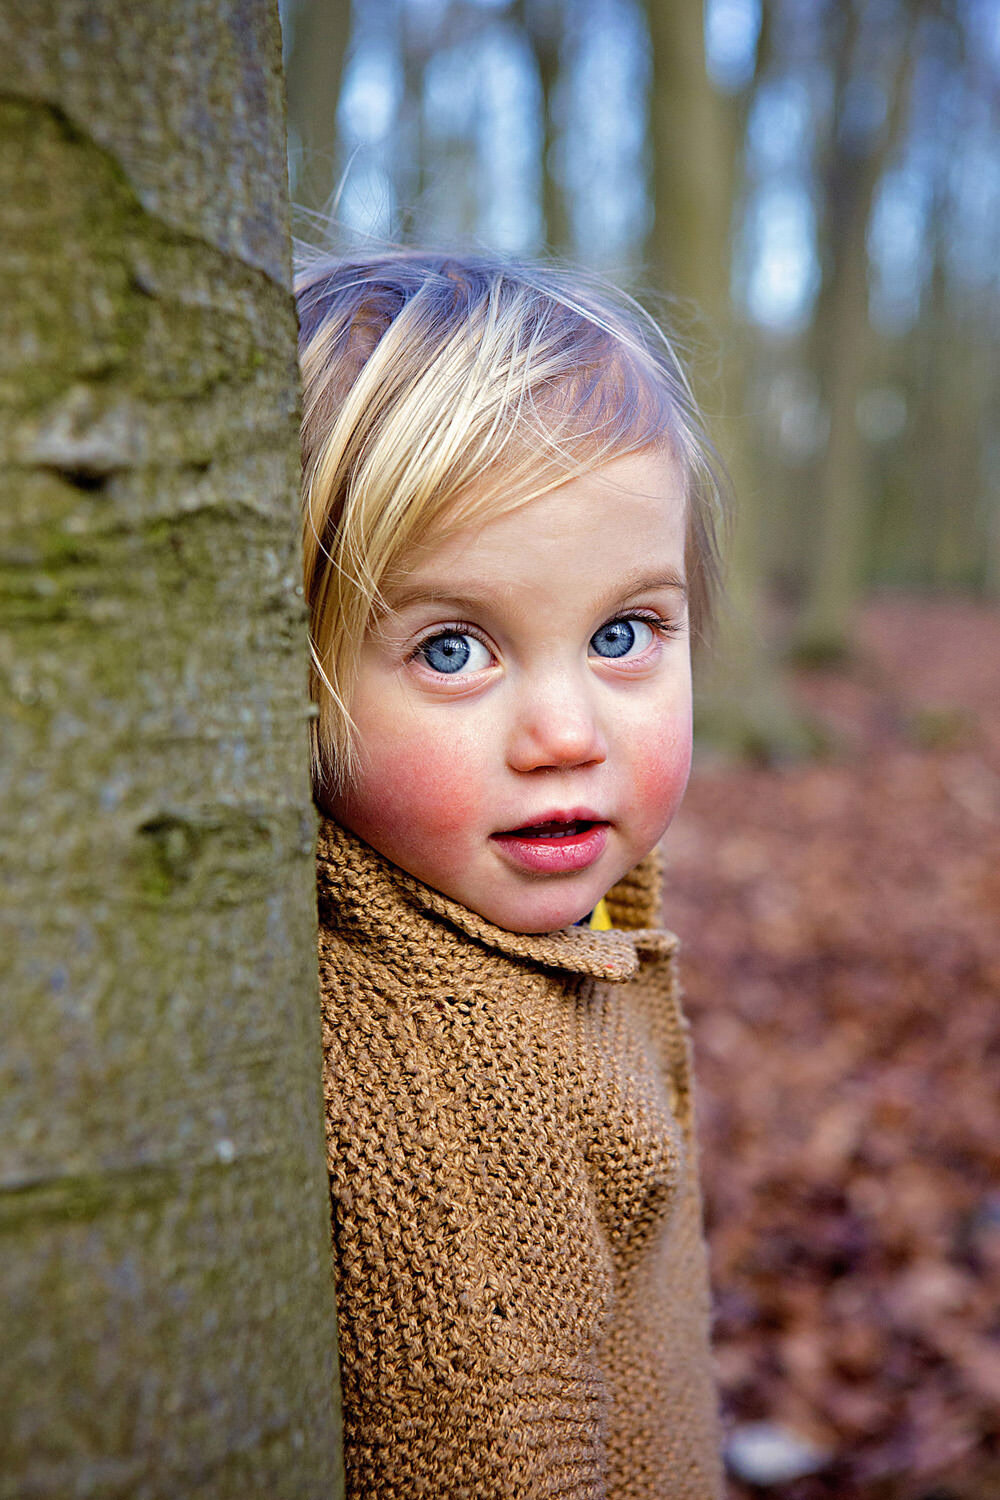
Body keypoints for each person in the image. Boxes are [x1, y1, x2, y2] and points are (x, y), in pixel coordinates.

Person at [296, 249, 725, 1500]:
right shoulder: (444, 1093)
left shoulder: (546, 925)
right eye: (451, 648)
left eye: (621, 634)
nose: (566, 732)